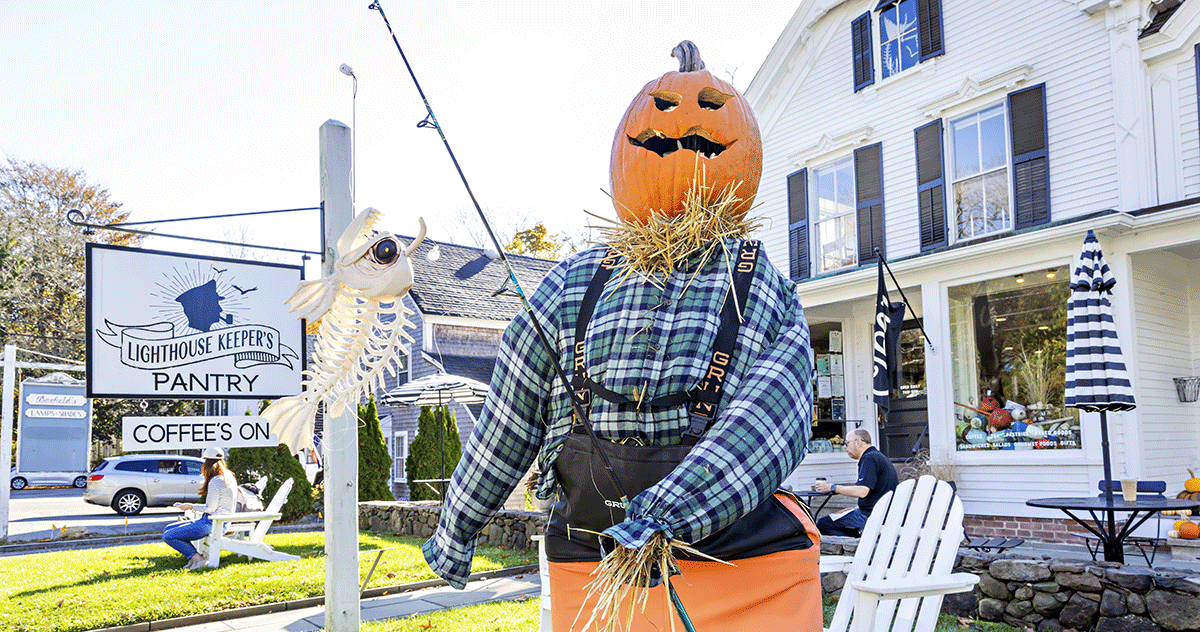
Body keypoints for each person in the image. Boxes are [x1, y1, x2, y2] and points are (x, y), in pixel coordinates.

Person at [814, 429, 898, 537]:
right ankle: (862, 536)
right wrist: (855, 508)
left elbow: (862, 491)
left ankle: (860, 540)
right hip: (883, 512)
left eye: (847, 443)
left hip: (872, 516)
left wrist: (832, 487)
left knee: (823, 524)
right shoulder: (878, 456)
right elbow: (878, 491)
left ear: (858, 442)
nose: (845, 447)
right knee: (838, 518)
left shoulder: (869, 458)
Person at [163, 447, 236, 570]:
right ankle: (193, 558)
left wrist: (190, 506)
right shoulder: (228, 476)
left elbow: (210, 508)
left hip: (212, 523)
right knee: (168, 528)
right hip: (217, 522)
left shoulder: (216, 481)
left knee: (169, 536)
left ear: (207, 463)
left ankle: (198, 559)